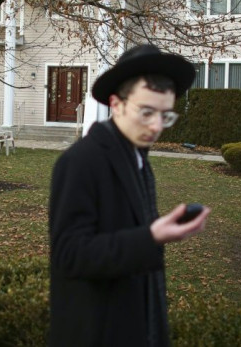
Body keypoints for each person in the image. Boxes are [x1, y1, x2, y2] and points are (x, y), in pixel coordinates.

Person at [49, 45, 211, 346]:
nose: (156, 126)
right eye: (146, 112)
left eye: (165, 115)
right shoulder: (81, 162)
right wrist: (150, 238)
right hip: (96, 331)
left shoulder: (136, 157)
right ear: (116, 104)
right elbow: (69, 255)